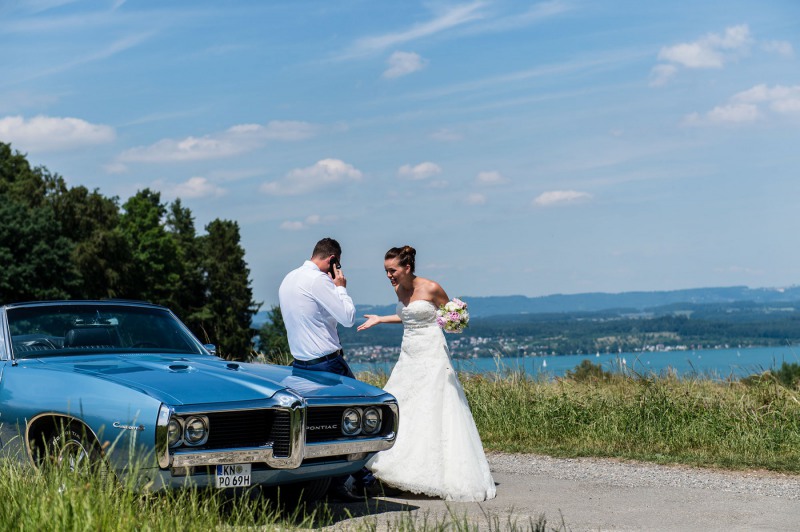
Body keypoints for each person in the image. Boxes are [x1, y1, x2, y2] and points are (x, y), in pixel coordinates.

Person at [358, 245, 496, 501]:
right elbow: (409, 317)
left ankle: (434, 474)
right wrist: (380, 318)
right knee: (403, 404)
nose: (389, 275)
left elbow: (451, 315)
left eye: (393, 270)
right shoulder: (399, 289)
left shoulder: (432, 288)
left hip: (432, 353)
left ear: (407, 267)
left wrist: (454, 321)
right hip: (408, 353)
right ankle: (399, 470)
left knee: (432, 406)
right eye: (386, 271)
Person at [278, 237, 375, 501]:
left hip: (300, 364)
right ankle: (359, 480)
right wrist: (341, 287)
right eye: (337, 264)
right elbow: (348, 317)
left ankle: (346, 480)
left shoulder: (289, 279)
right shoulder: (319, 280)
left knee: (325, 423)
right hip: (327, 363)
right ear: (333, 261)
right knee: (363, 415)